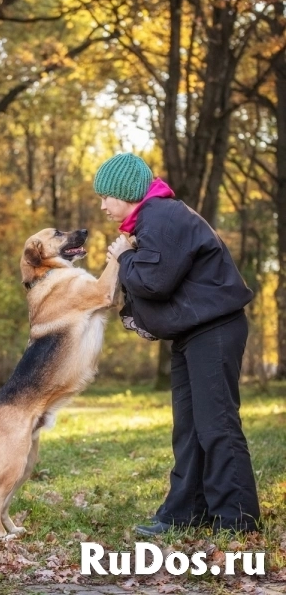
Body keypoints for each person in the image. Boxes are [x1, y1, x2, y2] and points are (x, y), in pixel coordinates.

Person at [94, 152, 260, 535]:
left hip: (215, 330)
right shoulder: (150, 220)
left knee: (216, 424)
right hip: (193, 333)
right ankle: (185, 512)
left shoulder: (162, 217)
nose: (102, 205)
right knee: (188, 428)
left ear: (125, 192)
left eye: (106, 196)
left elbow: (155, 281)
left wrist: (123, 259)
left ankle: (238, 521)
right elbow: (162, 283)